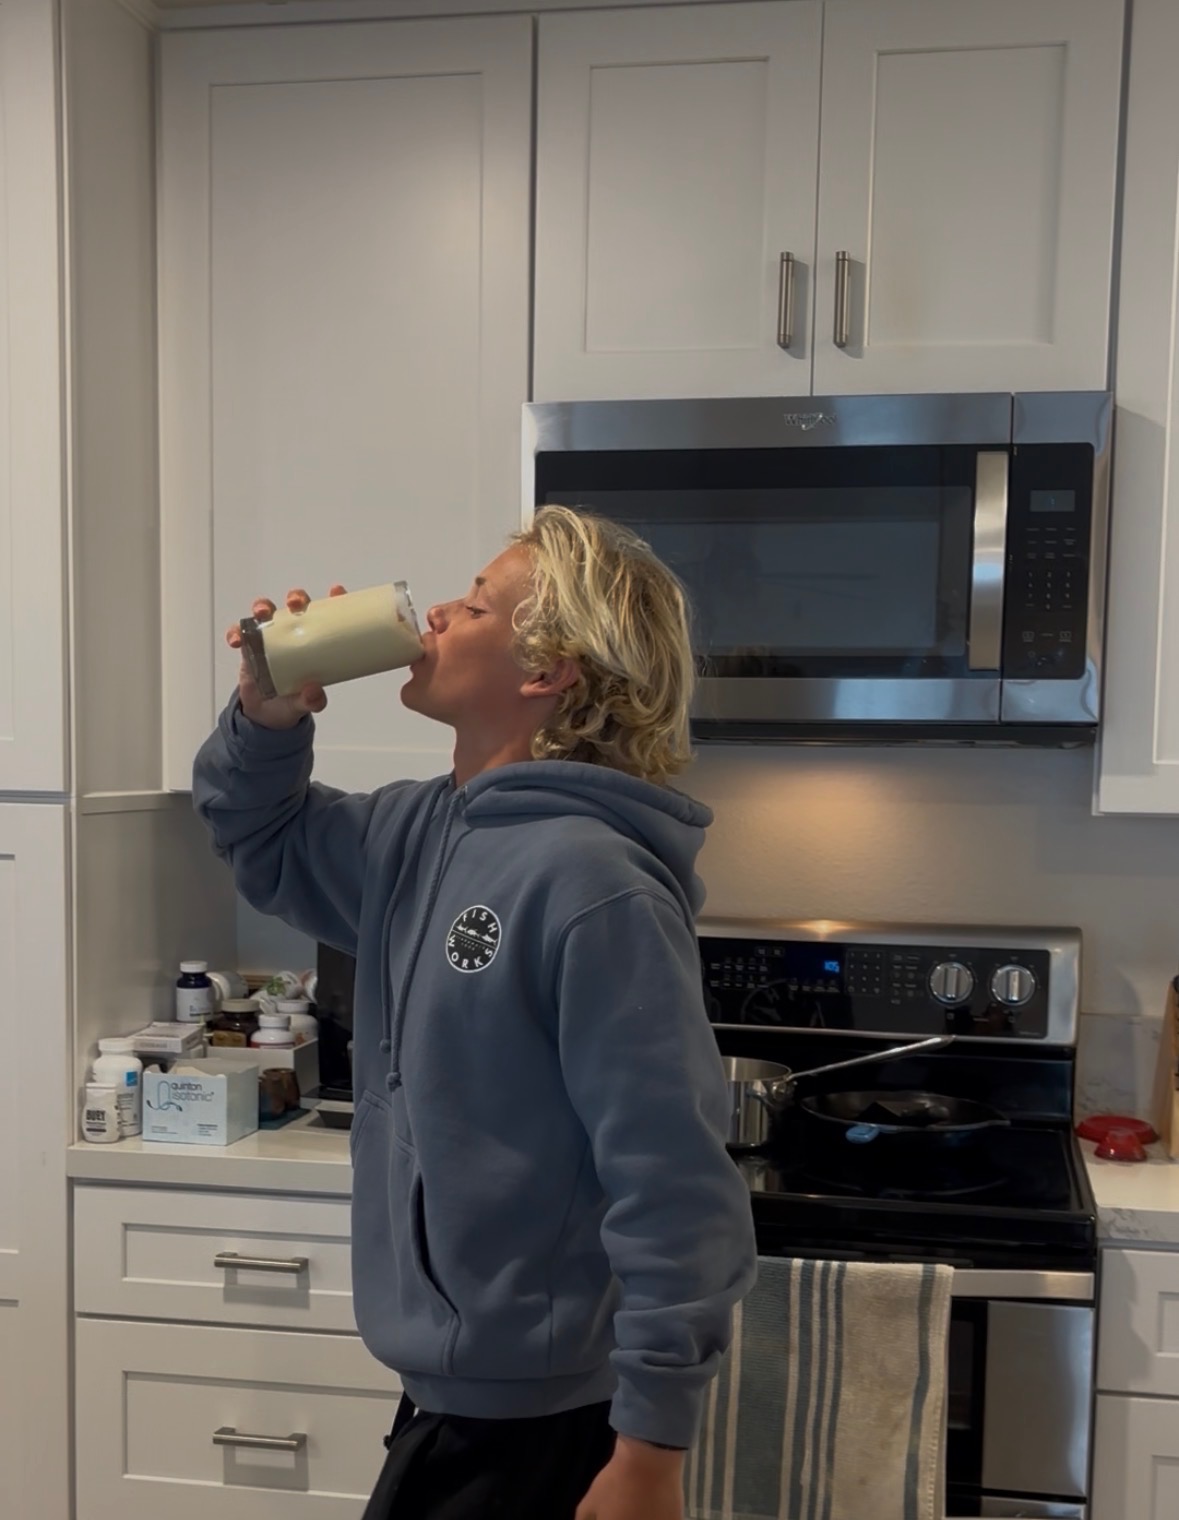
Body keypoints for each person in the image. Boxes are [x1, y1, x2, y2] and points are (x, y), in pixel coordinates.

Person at [193, 505, 757, 1520]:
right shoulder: (417, 829)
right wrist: (267, 718)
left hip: (547, 1423)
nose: (438, 612)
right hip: (446, 1397)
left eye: (477, 601)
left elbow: (672, 1178)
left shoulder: (594, 882)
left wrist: (652, 1452)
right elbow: (258, 835)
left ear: (545, 670)